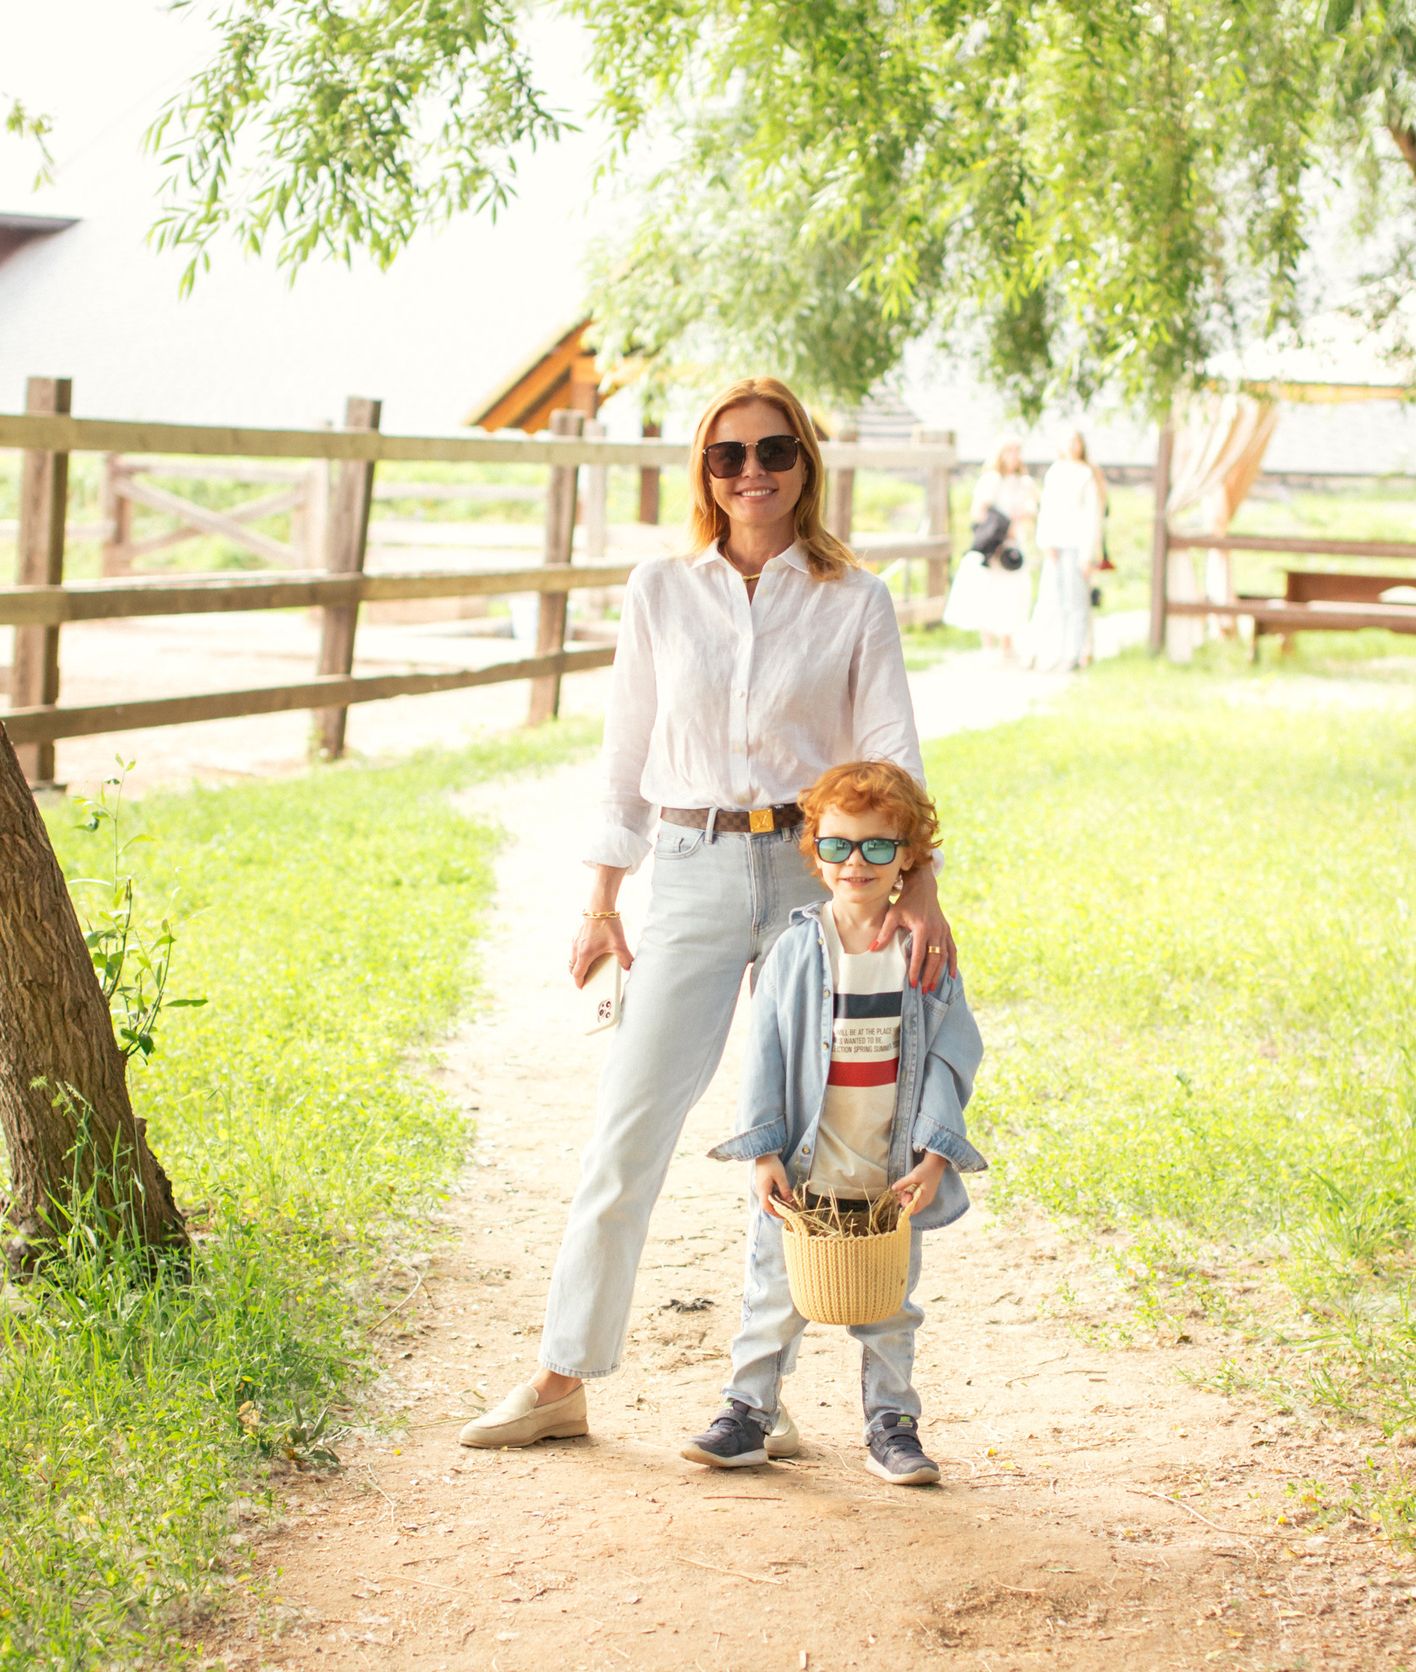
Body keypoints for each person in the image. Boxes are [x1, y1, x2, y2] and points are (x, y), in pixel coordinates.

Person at [459, 377, 959, 1452]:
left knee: (802, 1138)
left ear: (804, 464)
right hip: (685, 870)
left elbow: (893, 765)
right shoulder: (660, 590)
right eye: (728, 457)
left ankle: (757, 1403)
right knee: (627, 1129)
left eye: (774, 451)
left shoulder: (853, 600)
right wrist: (601, 899)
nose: (752, 475)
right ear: (704, 472)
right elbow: (623, 758)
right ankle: (560, 1378)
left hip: (810, 879)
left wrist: (917, 896)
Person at [680, 761, 983, 1486]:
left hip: (887, 1176)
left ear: (908, 854)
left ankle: (892, 1425)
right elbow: (765, 1054)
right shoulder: (794, 954)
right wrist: (762, 1153)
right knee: (772, 1296)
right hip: (805, 1170)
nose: (857, 862)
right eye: (840, 845)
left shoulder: (924, 953)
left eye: (879, 847)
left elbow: (951, 1052)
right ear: (815, 852)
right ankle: (746, 1413)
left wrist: (935, 1153)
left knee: (888, 1308)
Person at [940, 439, 1038, 659]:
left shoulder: (1023, 482)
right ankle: (988, 646)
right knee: (989, 590)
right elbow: (979, 512)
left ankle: (1007, 644)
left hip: (1015, 542)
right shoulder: (991, 480)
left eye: (1017, 451)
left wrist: (1020, 516)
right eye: (1010, 451)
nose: (1014, 456)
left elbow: (1033, 508)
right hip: (995, 543)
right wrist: (1002, 526)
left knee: (1012, 590)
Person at [1025, 429, 1108, 671]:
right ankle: (1058, 652)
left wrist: (1087, 554)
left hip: (1077, 545)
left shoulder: (1086, 475)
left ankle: (1074, 655)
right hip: (1056, 545)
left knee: (1077, 602)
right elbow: (1047, 510)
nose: (1072, 445)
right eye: (1068, 440)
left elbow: (1093, 515)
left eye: (1076, 441)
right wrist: (1045, 541)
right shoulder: (1055, 472)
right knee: (1056, 601)